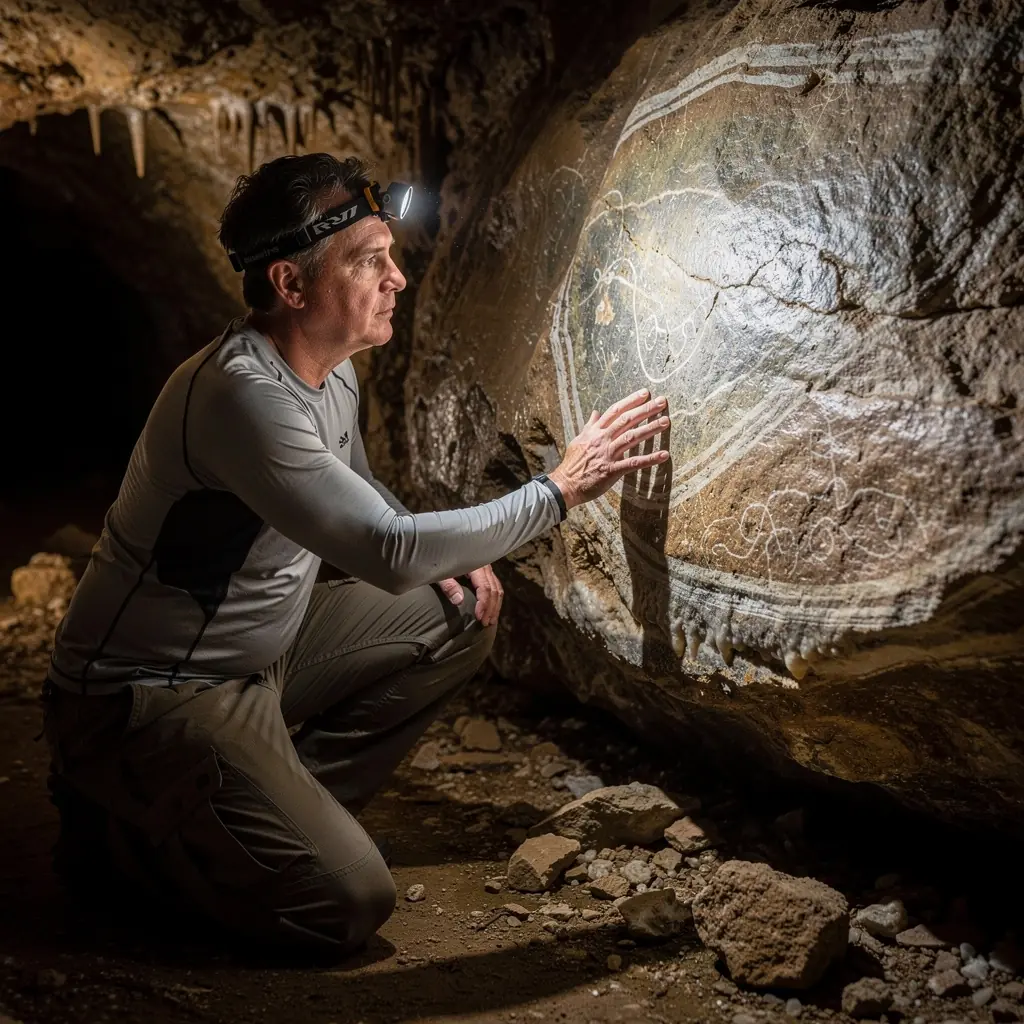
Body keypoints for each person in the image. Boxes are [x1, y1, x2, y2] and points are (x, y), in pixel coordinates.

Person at [41, 152, 670, 956]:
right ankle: (136, 843)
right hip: (151, 696)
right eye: (368, 261)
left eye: (391, 254)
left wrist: (442, 554)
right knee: (346, 903)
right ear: (291, 286)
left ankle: (260, 813)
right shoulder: (242, 397)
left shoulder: (333, 375)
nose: (397, 278)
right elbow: (383, 548)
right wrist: (556, 492)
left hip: (259, 661)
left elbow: (370, 505)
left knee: (456, 611)